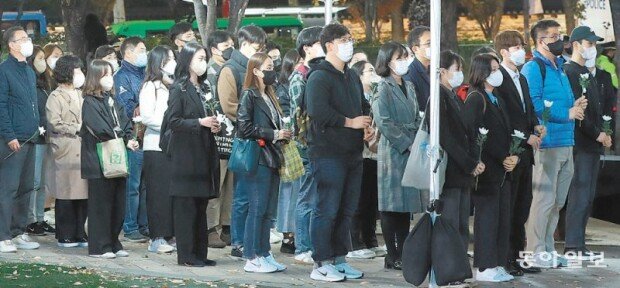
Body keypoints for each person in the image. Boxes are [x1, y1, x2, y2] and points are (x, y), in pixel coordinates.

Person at [305, 23, 372, 282]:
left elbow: (363, 105)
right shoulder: (319, 76)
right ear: (330, 45)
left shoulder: (351, 76)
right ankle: (321, 261)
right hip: (327, 153)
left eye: (351, 39)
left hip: (353, 152)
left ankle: (339, 258)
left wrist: (366, 125)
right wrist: (350, 122)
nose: (350, 44)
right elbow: (318, 112)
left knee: (346, 209)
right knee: (326, 208)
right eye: (345, 39)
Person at [522, 19, 586, 269]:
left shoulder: (559, 66)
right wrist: (566, 113)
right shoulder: (533, 68)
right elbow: (535, 103)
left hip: (565, 141)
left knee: (558, 201)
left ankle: (548, 248)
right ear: (541, 41)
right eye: (554, 36)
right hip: (547, 143)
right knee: (543, 200)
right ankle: (534, 250)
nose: (560, 40)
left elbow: (565, 101)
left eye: (560, 35)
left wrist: (576, 107)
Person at [493, 30, 545, 276]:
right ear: (503, 51)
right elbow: (503, 117)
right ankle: (505, 259)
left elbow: (528, 109)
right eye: (515, 47)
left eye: (521, 46)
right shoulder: (499, 78)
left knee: (522, 207)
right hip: (511, 152)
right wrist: (525, 136)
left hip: (526, 153)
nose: (520, 51)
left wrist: (536, 125)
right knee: (510, 208)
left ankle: (517, 257)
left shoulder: (521, 77)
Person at [463, 53, 517, 282]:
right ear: (481, 72)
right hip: (487, 169)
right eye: (493, 69)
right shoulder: (476, 98)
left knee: (503, 217)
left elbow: (505, 130)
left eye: (498, 69)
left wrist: (513, 155)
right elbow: (473, 134)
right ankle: (484, 266)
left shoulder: (497, 98)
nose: (497, 74)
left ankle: (498, 262)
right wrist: (493, 157)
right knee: (487, 218)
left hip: (504, 169)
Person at [167, 42, 220, 267]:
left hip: (204, 151)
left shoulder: (204, 88)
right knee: (186, 207)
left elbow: (209, 115)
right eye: (199, 58)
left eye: (204, 58)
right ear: (187, 61)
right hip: (186, 154)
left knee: (200, 206)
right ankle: (186, 255)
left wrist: (214, 125)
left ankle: (200, 252)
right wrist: (199, 122)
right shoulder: (179, 88)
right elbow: (173, 121)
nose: (203, 62)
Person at [236, 52, 289, 273]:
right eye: (267, 67)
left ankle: (264, 253)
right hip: (258, 158)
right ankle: (251, 256)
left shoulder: (269, 94)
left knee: (267, 211)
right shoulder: (249, 95)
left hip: (272, 156)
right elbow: (244, 127)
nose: (271, 70)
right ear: (256, 71)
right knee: (257, 209)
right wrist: (274, 134)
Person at [217, 25, 267, 258]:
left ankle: (252, 239)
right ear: (244, 44)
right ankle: (238, 241)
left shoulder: (253, 68)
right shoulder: (231, 70)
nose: (261, 52)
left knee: (255, 194)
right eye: (257, 48)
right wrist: (256, 123)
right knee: (243, 193)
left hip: (260, 137)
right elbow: (229, 106)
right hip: (245, 138)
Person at [434, 50, 483, 286]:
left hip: (462, 171)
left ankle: (458, 270)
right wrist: (469, 162)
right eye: (456, 69)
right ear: (442, 71)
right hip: (451, 171)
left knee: (462, 223)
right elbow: (446, 137)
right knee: (451, 222)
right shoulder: (438, 97)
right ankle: (448, 272)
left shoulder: (452, 95)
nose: (459, 74)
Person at [81, 59, 138, 259]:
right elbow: (99, 128)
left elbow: (125, 122)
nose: (109, 79)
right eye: (104, 75)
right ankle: (99, 245)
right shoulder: (90, 101)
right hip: (98, 159)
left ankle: (114, 241)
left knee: (117, 202)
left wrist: (130, 138)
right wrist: (121, 137)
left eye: (110, 74)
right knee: (101, 204)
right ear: (95, 77)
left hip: (117, 157)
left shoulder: (113, 100)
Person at [372, 42, 422, 270]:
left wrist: (419, 140)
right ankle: (392, 254)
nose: (404, 61)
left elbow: (417, 114)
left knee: (405, 204)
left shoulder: (409, 85)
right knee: (391, 203)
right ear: (387, 62)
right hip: (394, 151)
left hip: (411, 146)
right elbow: (383, 121)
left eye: (405, 56)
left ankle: (403, 250)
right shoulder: (383, 87)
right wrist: (406, 143)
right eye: (399, 57)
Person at [563, 26, 611, 259]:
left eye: (594, 44)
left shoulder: (587, 72)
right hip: (580, 145)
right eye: (589, 43)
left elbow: (596, 109)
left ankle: (579, 244)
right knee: (579, 195)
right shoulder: (570, 72)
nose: (593, 48)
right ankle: (572, 245)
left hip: (591, 145)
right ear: (576, 44)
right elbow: (579, 113)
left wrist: (604, 132)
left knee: (587, 197)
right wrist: (596, 134)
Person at [0, 26, 41, 253]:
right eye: (23, 39)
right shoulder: (4, 70)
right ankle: (3, 235)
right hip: (13, 140)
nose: (28, 42)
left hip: (31, 136)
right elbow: (2, 106)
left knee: (26, 188)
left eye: (28, 38)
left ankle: (18, 231)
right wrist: (9, 135)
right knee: (8, 188)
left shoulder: (28, 70)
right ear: (11, 45)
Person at [288, 26, 324, 265]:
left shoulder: (317, 72)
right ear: (307, 48)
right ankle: (303, 246)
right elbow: (298, 116)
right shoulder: (300, 76)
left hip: (321, 146)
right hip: (307, 147)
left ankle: (313, 245)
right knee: (307, 197)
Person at [45, 55, 89, 248]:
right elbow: (54, 122)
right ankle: (65, 234)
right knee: (65, 193)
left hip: (82, 147)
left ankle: (81, 232)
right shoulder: (55, 96)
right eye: (76, 70)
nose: (80, 74)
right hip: (66, 146)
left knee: (83, 193)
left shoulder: (81, 94)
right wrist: (75, 128)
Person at [139, 45, 176, 254]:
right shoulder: (150, 87)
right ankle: (157, 236)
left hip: (173, 146)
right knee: (157, 193)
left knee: (171, 192)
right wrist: (169, 124)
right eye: (168, 58)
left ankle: (170, 234)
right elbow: (146, 116)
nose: (172, 61)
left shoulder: (171, 85)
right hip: (155, 146)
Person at [348, 60, 386, 260]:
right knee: (359, 201)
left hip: (374, 154)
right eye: (369, 71)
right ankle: (355, 243)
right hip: (361, 153)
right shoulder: (355, 98)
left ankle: (370, 239)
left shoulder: (375, 96)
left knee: (372, 201)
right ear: (359, 76)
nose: (374, 74)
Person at [114, 36, 149, 243]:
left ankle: (144, 224)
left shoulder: (144, 74)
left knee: (144, 185)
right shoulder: (122, 77)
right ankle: (130, 226)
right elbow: (127, 108)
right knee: (133, 186)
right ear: (128, 52)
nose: (145, 54)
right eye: (142, 49)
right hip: (134, 136)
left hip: (147, 137)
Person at [205, 29, 235, 248]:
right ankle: (210, 228)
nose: (230, 50)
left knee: (229, 184)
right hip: (216, 134)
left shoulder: (231, 69)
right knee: (216, 182)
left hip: (233, 134)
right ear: (214, 49)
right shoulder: (209, 72)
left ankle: (226, 225)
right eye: (226, 46)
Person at [25, 45, 56, 237]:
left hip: (46, 138)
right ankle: (30, 220)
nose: (43, 62)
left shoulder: (45, 84)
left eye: (44, 58)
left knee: (43, 181)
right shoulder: (30, 84)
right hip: (35, 138)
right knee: (34, 181)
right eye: (39, 58)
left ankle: (39, 218)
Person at [274, 49, 301, 255]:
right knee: (289, 190)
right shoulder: (283, 88)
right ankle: (287, 234)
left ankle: (294, 233)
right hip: (288, 144)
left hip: (296, 142)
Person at [404, 26, 431, 109]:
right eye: (428, 43)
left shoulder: (439, 69)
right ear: (415, 49)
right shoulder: (409, 75)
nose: (434, 46)